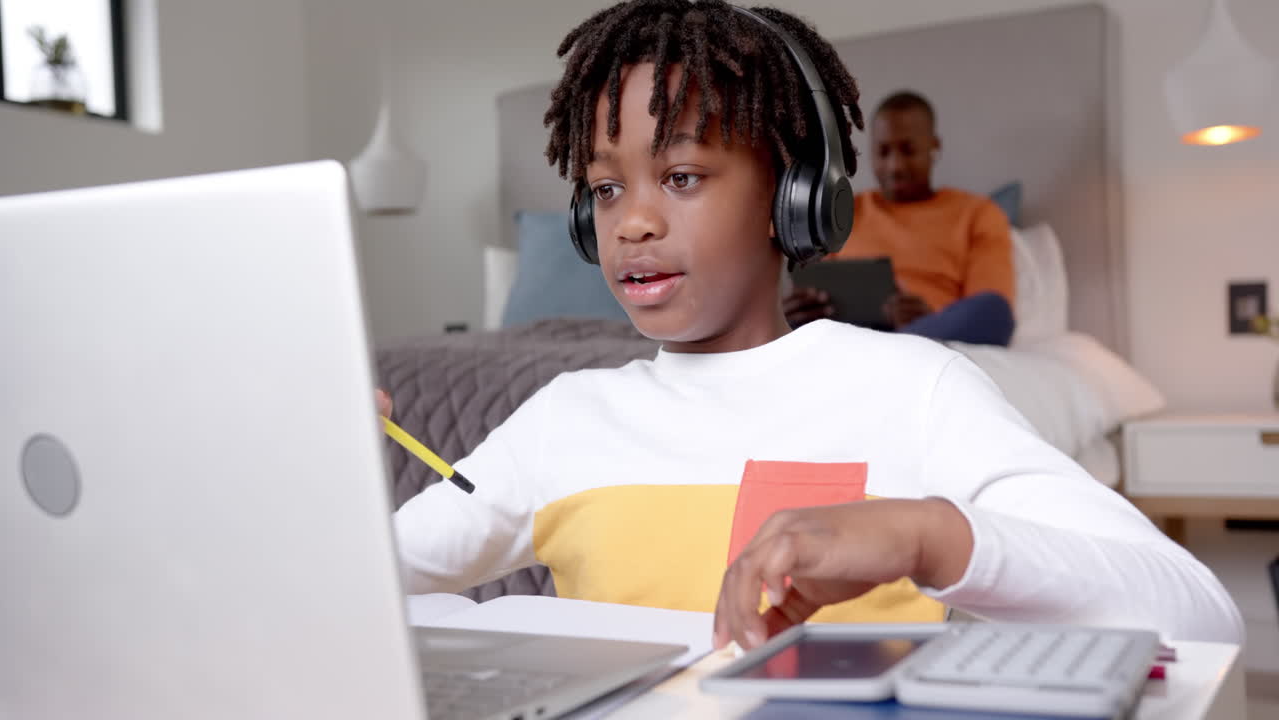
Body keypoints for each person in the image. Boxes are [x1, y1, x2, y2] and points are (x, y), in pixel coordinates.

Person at [388, 0, 1241, 651]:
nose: (632, 222)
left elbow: (1200, 613)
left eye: (681, 176)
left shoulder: (913, 389)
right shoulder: (563, 417)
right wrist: (316, 487)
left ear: (793, 198)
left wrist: (929, 535)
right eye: (607, 190)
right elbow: (362, 585)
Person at [784, 91, 1016, 346]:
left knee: (994, 310)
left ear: (933, 147)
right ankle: (892, 349)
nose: (895, 166)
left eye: (908, 150)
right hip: (850, 331)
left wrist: (929, 318)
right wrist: (798, 308)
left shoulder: (977, 213)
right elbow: (813, 287)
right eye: (883, 152)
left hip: (930, 327)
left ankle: (898, 346)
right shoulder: (843, 212)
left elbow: (990, 306)